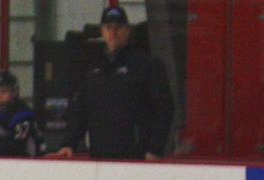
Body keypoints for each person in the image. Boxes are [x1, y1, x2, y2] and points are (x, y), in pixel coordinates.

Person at [48, 6, 171, 161]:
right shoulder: (94, 67)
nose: (113, 32)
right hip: (100, 156)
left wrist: (155, 148)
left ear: (127, 30)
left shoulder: (147, 65)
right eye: (108, 27)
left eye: (118, 27)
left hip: (136, 156)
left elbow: (163, 108)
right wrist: (69, 143)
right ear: (102, 31)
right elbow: (81, 109)